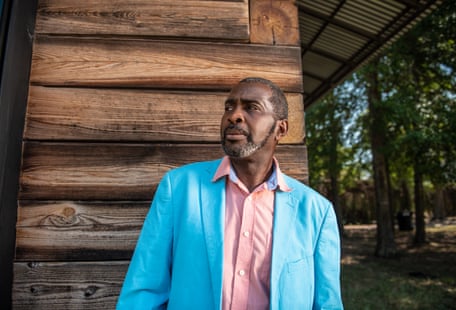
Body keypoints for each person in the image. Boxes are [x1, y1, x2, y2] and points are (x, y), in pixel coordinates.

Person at [116, 77, 343, 309]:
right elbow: (144, 290)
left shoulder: (316, 211)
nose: (234, 115)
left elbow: (327, 303)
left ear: (280, 129)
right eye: (229, 107)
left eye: (251, 108)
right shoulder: (179, 188)